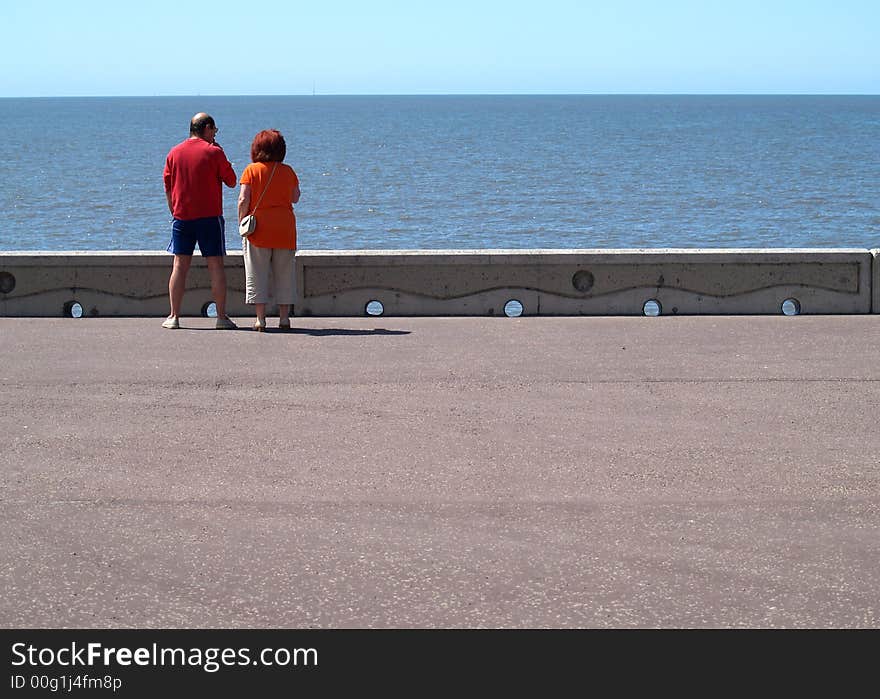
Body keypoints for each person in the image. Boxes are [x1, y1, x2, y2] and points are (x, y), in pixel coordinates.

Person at [162, 112, 238, 329]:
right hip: (209, 218)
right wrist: (221, 154)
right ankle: (221, 317)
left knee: (179, 265)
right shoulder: (214, 152)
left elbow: (167, 185)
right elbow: (232, 181)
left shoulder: (174, 153)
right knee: (215, 266)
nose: (215, 134)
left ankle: (174, 316)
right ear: (207, 128)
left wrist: (174, 210)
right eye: (214, 130)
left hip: (182, 217)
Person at [238, 129, 300, 331]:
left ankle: (260, 319)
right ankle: (284, 318)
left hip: (259, 229)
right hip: (284, 228)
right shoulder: (288, 171)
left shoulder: (251, 170)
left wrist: (241, 222)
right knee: (285, 273)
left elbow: (243, 199)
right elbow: (295, 197)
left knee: (257, 273)